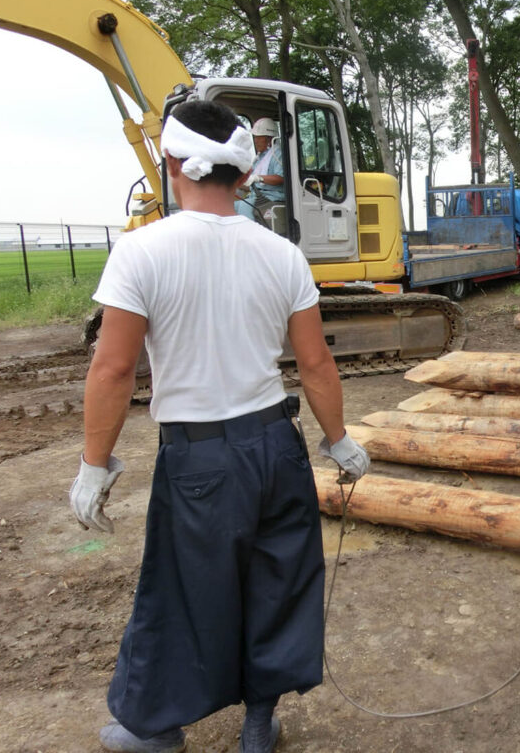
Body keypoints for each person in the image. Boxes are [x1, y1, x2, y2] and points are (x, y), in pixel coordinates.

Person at [69, 99, 369, 753]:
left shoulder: (141, 251)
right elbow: (315, 362)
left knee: (182, 592)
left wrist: (96, 465)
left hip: (200, 458)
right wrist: (340, 439)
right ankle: (258, 727)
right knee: (278, 581)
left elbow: (114, 370)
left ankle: (158, 730)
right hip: (275, 446)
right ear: (246, 172)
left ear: (172, 163)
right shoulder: (282, 254)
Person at [234, 117, 285, 224]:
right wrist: (236, 183)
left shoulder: (278, 154)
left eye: (259, 137)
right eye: (255, 137)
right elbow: (252, 184)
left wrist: (258, 178)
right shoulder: (259, 158)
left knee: (245, 205)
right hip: (256, 196)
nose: (255, 141)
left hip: (272, 197)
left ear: (269, 138)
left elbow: (281, 178)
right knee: (232, 205)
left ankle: (249, 238)